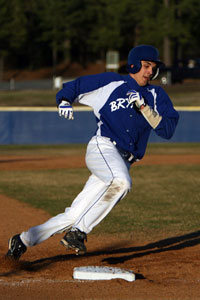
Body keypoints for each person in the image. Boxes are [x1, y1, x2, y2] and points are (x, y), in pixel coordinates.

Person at [6, 45, 179, 260]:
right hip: (103, 147)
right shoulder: (112, 82)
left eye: (153, 68)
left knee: (74, 214)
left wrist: (145, 109)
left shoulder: (156, 95)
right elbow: (75, 86)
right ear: (133, 65)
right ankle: (78, 233)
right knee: (122, 183)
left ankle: (22, 240)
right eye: (145, 66)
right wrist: (64, 100)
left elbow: (168, 129)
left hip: (123, 160)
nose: (149, 72)